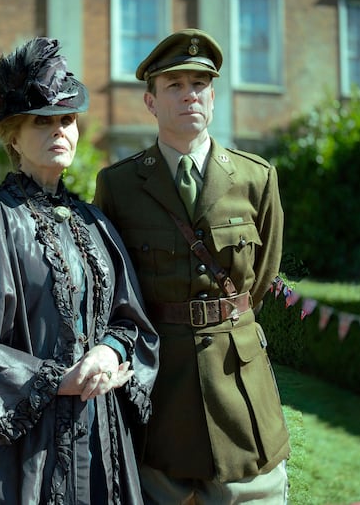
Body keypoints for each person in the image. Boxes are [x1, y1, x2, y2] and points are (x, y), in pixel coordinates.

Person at [0, 37, 159, 505]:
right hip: (17, 450)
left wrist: (108, 352)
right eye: (42, 122)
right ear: (13, 136)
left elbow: (130, 319)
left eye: (67, 120)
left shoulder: (94, 222)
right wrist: (52, 380)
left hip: (98, 434)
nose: (59, 131)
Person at [93, 29, 290, 504]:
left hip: (238, 377)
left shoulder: (255, 177)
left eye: (199, 85)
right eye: (174, 86)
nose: (189, 96)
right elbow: (113, 285)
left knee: (253, 494)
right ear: (151, 101)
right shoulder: (118, 185)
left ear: (213, 96)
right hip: (161, 383)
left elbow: (260, 277)